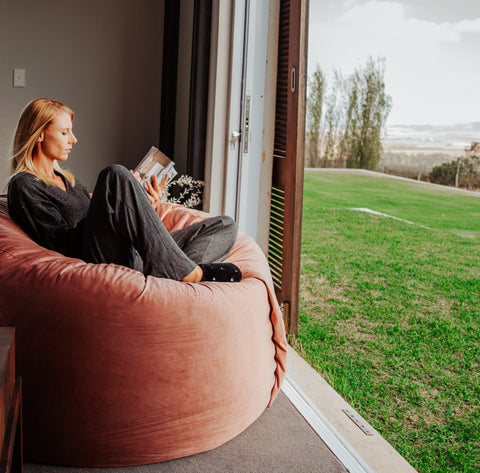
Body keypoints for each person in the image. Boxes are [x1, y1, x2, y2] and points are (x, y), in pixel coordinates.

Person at [7, 98, 242, 283]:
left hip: (129, 252)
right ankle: (186, 272)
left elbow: (105, 221)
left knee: (224, 225)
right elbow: (59, 245)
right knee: (114, 174)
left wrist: (141, 203)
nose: (74, 139)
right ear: (39, 134)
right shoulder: (25, 185)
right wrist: (116, 195)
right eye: (64, 132)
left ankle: (170, 271)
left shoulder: (68, 180)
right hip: (94, 257)